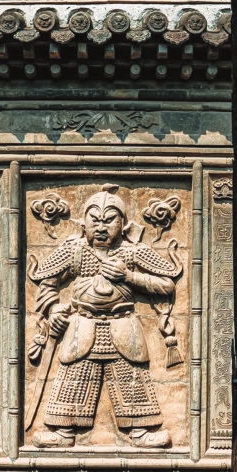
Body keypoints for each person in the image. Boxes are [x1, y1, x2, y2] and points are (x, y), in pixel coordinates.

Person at [28, 188, 181, 448]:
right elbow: (47, 282)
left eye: (109, 220)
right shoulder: (75, 251)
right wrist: (53, 310)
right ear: (83, 224)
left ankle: (141, 432)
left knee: (132, 378)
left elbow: (167, 284)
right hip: (82, 325)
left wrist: (129, 277)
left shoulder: (132, 252)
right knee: (73, 378)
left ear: (123, 224)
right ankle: (64, 432)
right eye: (95, 220)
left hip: (123, 324)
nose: (101, 227)